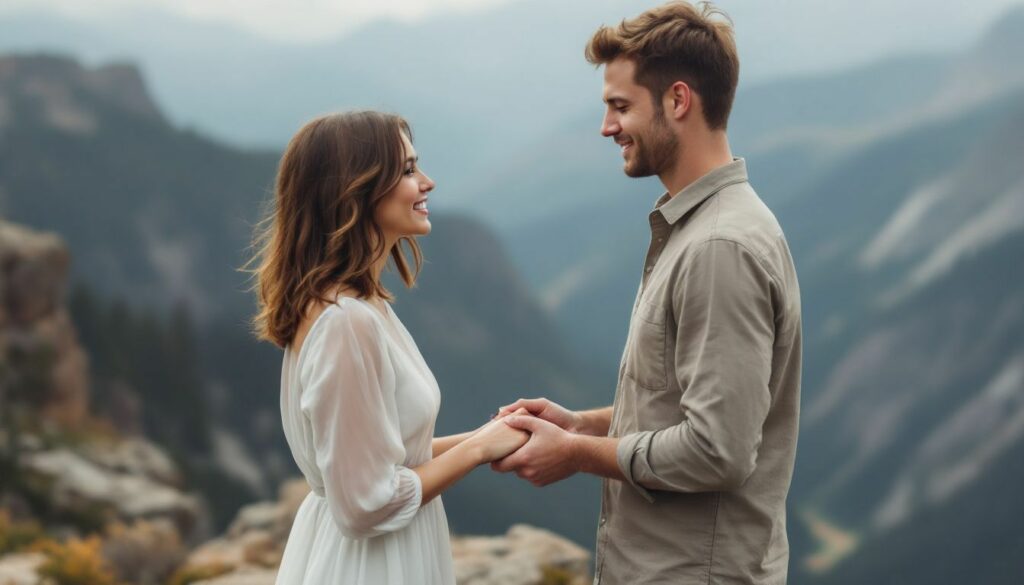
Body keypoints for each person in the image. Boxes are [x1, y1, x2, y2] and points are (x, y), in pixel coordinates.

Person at [493, 2, 803, 583]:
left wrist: (577, 455)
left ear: (678, 101)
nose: (607, 127)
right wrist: (583, 425)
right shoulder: (699, 228)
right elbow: (686, 400)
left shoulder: (719, 248)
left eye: (620, 106)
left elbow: (718, 449)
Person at [248, 111, 530, 585]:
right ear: (355, 191)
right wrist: (480, 449)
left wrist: (498, 431)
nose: (427, 182)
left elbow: (385, 455)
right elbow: (365, 505)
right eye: (406, 170)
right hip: (370, 565)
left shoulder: (356, 307)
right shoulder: (346, 323)